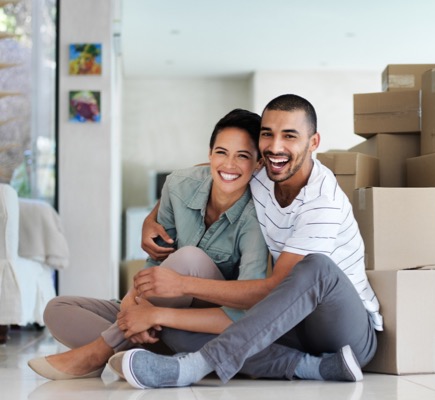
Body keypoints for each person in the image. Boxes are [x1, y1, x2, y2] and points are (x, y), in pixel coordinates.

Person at [120, 94, 383, 389]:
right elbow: (217, 167)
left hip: (344, 333)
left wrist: (178, 288)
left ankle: (196, 366)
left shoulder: (322, 203)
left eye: (290, 136)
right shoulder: (264, 172)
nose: (275, 146)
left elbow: (274, 288)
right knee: (177, 328)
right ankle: (313, 367)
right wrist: (151, 217)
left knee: (315, 267)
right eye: (267, 135)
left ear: (313, 142)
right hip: (293, 325)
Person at [27, 108, 269, 380]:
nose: (229, 164)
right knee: (57, 310)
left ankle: (100, 351)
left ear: (258, 164)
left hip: (207, 321)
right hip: (166, 314)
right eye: (222, 152)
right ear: (210, 154)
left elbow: (245, 308)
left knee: (190, 259)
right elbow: (156, 261)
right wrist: (133, 307)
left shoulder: (258, 214)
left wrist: (156, 315)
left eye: (243, 156)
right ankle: (146, 353)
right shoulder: (178, 185)